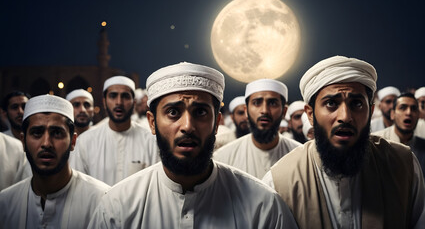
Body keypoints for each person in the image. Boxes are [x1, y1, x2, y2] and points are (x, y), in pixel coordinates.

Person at [88, 62, 298, 228]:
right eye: (173, 112)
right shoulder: (118, 207)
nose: (187, 126)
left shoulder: (263, 206)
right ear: (152, 122)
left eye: (200, 112)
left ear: (216, 122)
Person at [263, 56, 425, 228]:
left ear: (370, 111)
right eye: (331, 103)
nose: (345, 117)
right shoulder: (280, 181)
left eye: (356, 103)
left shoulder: (403, 165)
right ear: (310, 114)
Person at [0, 95, 110, 228]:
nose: (46, 143)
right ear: (23, 141)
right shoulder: (6, 202)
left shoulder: (102, 200)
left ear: (73, 141)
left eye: (57, 133)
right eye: (37, 133)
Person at [71, 76, 159, 185]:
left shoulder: (150, 141)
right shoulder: (85, 142)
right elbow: (77, 186)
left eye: (125, 96)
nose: (119, 102)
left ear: (134, 103)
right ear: (104, 101)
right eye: (113, 96)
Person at [214, 79, 301, 179]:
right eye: (256, 103)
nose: (264, 110)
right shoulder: (223, 158)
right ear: (246, 111)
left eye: (272, 103)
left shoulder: (300, 156)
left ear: (284, 112)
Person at [373, 93, 425, 177]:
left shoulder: (422, 146)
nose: (409, 112)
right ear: (392, 114)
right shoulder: (375, 143)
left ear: (418, 115)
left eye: (413, 109)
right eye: (403, 108)